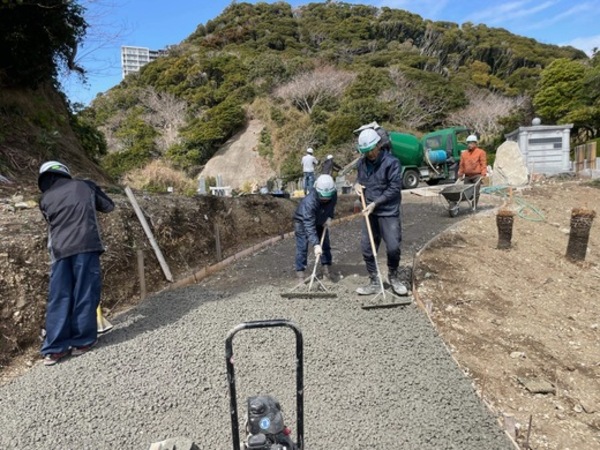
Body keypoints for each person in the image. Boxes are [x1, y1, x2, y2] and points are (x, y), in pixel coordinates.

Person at [37, 161, 115, 366]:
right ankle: (82, 341)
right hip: (86, 245)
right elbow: (108, 206)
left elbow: (50, 223)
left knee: (59, 296)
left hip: (60, 252)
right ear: (65, 173)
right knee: (85, 292)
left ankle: (54, 349)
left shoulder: (44, 198)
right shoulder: (84, 185)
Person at [354, 128, 407, 296]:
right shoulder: (361, 163)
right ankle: (375, 281)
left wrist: (376, 203)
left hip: (388, 211)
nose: (369, 154)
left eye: (371, 150)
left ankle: (393, 276)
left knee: (393, 247)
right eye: (365, 151)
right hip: (370, 212)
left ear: (378, 145)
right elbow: (360, 180)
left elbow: (394, 189)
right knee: (367, 248)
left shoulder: (392, 163)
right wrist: (356, 185)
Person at [293, 174, 337, 281]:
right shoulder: (309, 202)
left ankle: (326, 269)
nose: (325, 200)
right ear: (317, 191)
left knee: (325, 244)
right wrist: (316, 244)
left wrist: (329, 217)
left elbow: (332, 205)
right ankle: (301, 274)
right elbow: (309, 225)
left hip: (321, 219)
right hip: (302, 221)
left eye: (327, 198)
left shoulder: (333, 194)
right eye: (323, 198)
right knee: (302, 247)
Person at [458, 134, 487, 204]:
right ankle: (469, 203)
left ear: (475, 143)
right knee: (466, 191)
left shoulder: (480, 152)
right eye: (468, 143)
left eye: (471, 143)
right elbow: (461, 165)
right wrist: (460, 174)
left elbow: (483, 163)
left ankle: (474, 205)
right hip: (467, 176)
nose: (469, 145)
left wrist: (483, 174)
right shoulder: (464, 154)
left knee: (476, 191)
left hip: (477, 176)